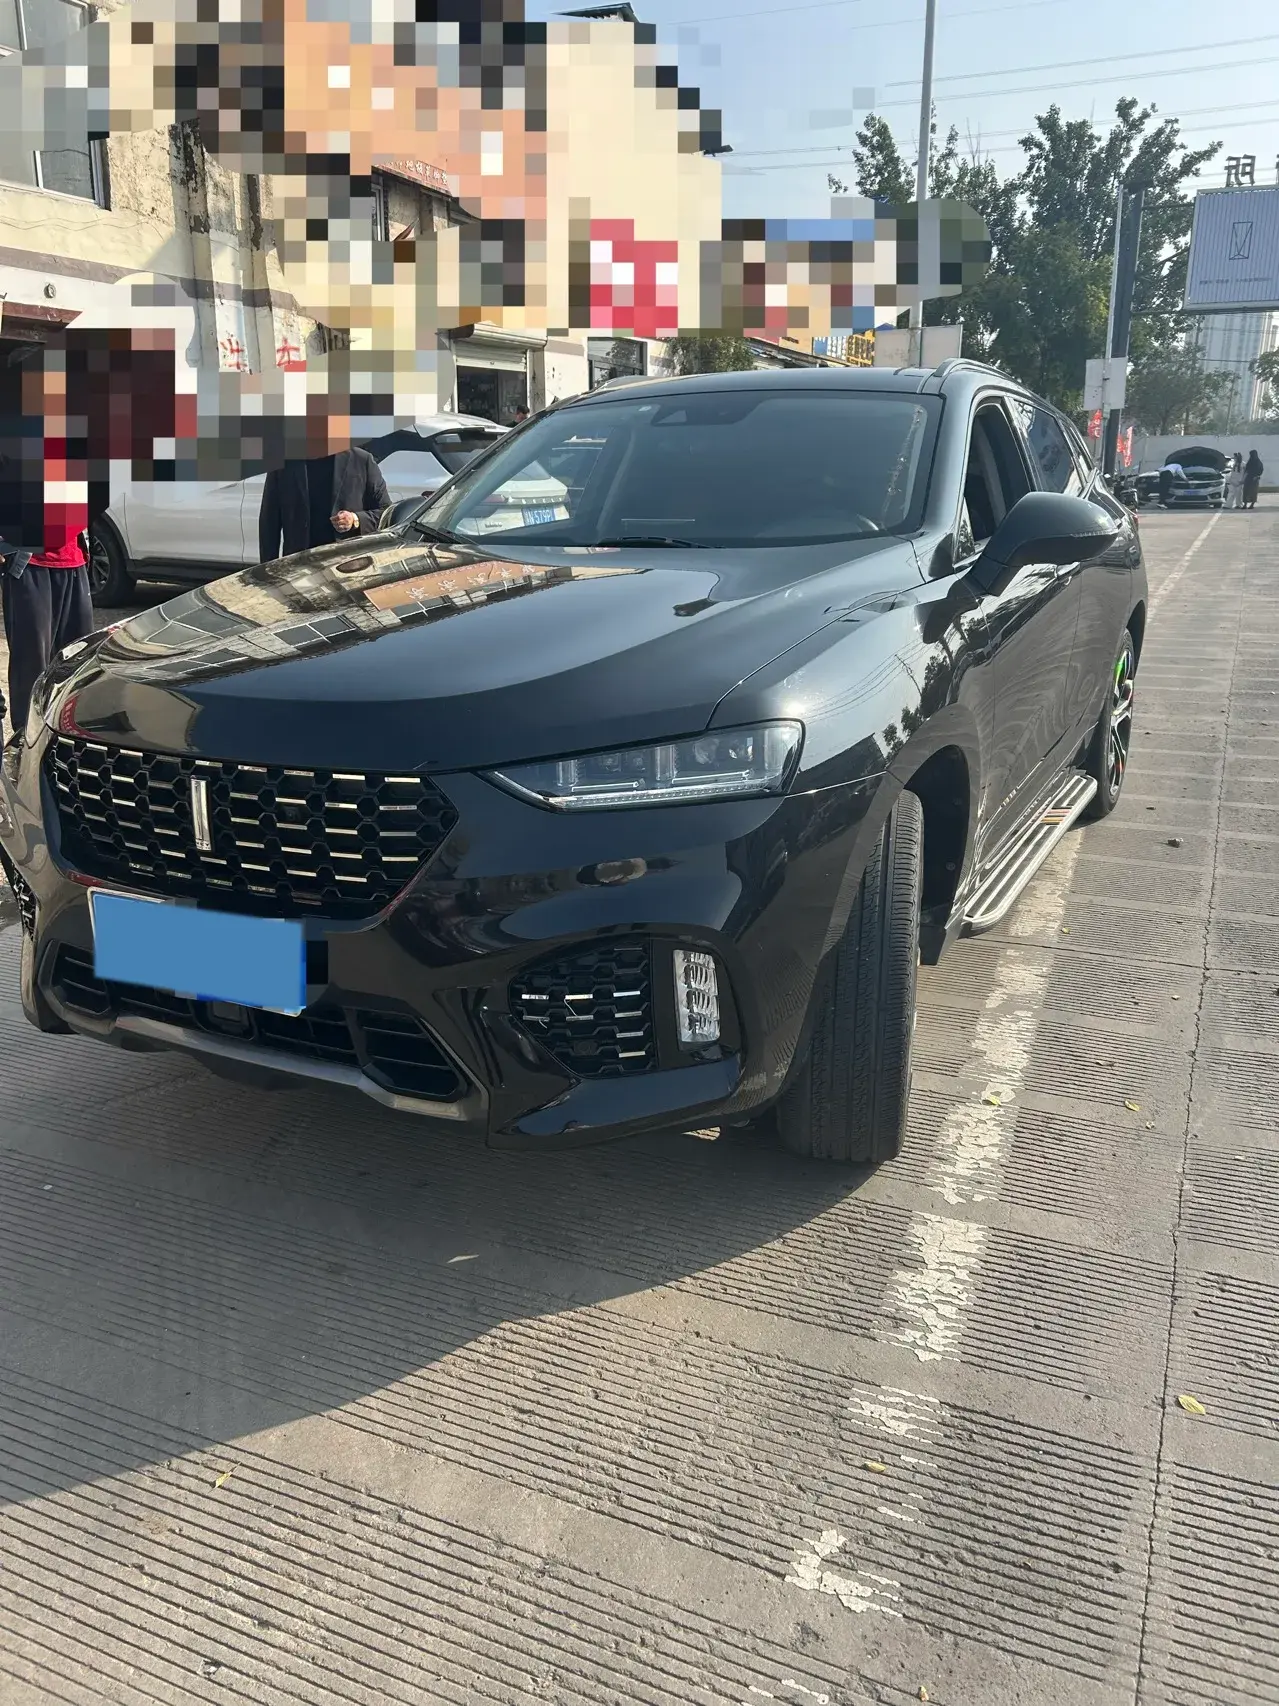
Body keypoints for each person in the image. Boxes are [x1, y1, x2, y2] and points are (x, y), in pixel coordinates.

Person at [0, 349, 93, 743]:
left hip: (73, 563)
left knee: (79, 661)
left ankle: (70, 739)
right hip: (29, 565)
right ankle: (27, 743)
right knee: (32, 665)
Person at [258, 414, 391, 562]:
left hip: (348, 563)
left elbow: (386, 513)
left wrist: (355, 519)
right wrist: (268, 569)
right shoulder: (284, 464)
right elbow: (269, 522)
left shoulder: (361, 461)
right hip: (298, 565)